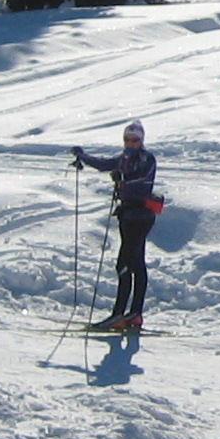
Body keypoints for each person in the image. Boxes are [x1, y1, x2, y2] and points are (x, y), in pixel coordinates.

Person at [72, 123, 163, 332]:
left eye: (135, 140)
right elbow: (105, 164)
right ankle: (134, 314)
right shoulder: (124, 159)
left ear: (142, 141)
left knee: (124, 263)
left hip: (140, 216)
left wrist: (123, 180)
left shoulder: (147, 159)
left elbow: (143, 180)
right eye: (128, 140)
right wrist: (83, 157)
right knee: (136, 263)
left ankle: (119, 314)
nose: (131, 144)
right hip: (128, 215)